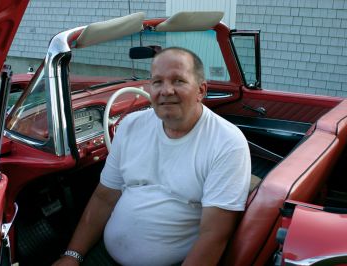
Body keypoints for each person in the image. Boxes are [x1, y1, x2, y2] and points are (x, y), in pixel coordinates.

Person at [53, 47, 251, 266]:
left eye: (178, 81)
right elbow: (104, 197)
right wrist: (73, 255)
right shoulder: (130, 125)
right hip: (102, 256)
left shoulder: (227, 143)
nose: (166, 91)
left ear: (201, 90)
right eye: (157, 82)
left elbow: (213, 235)